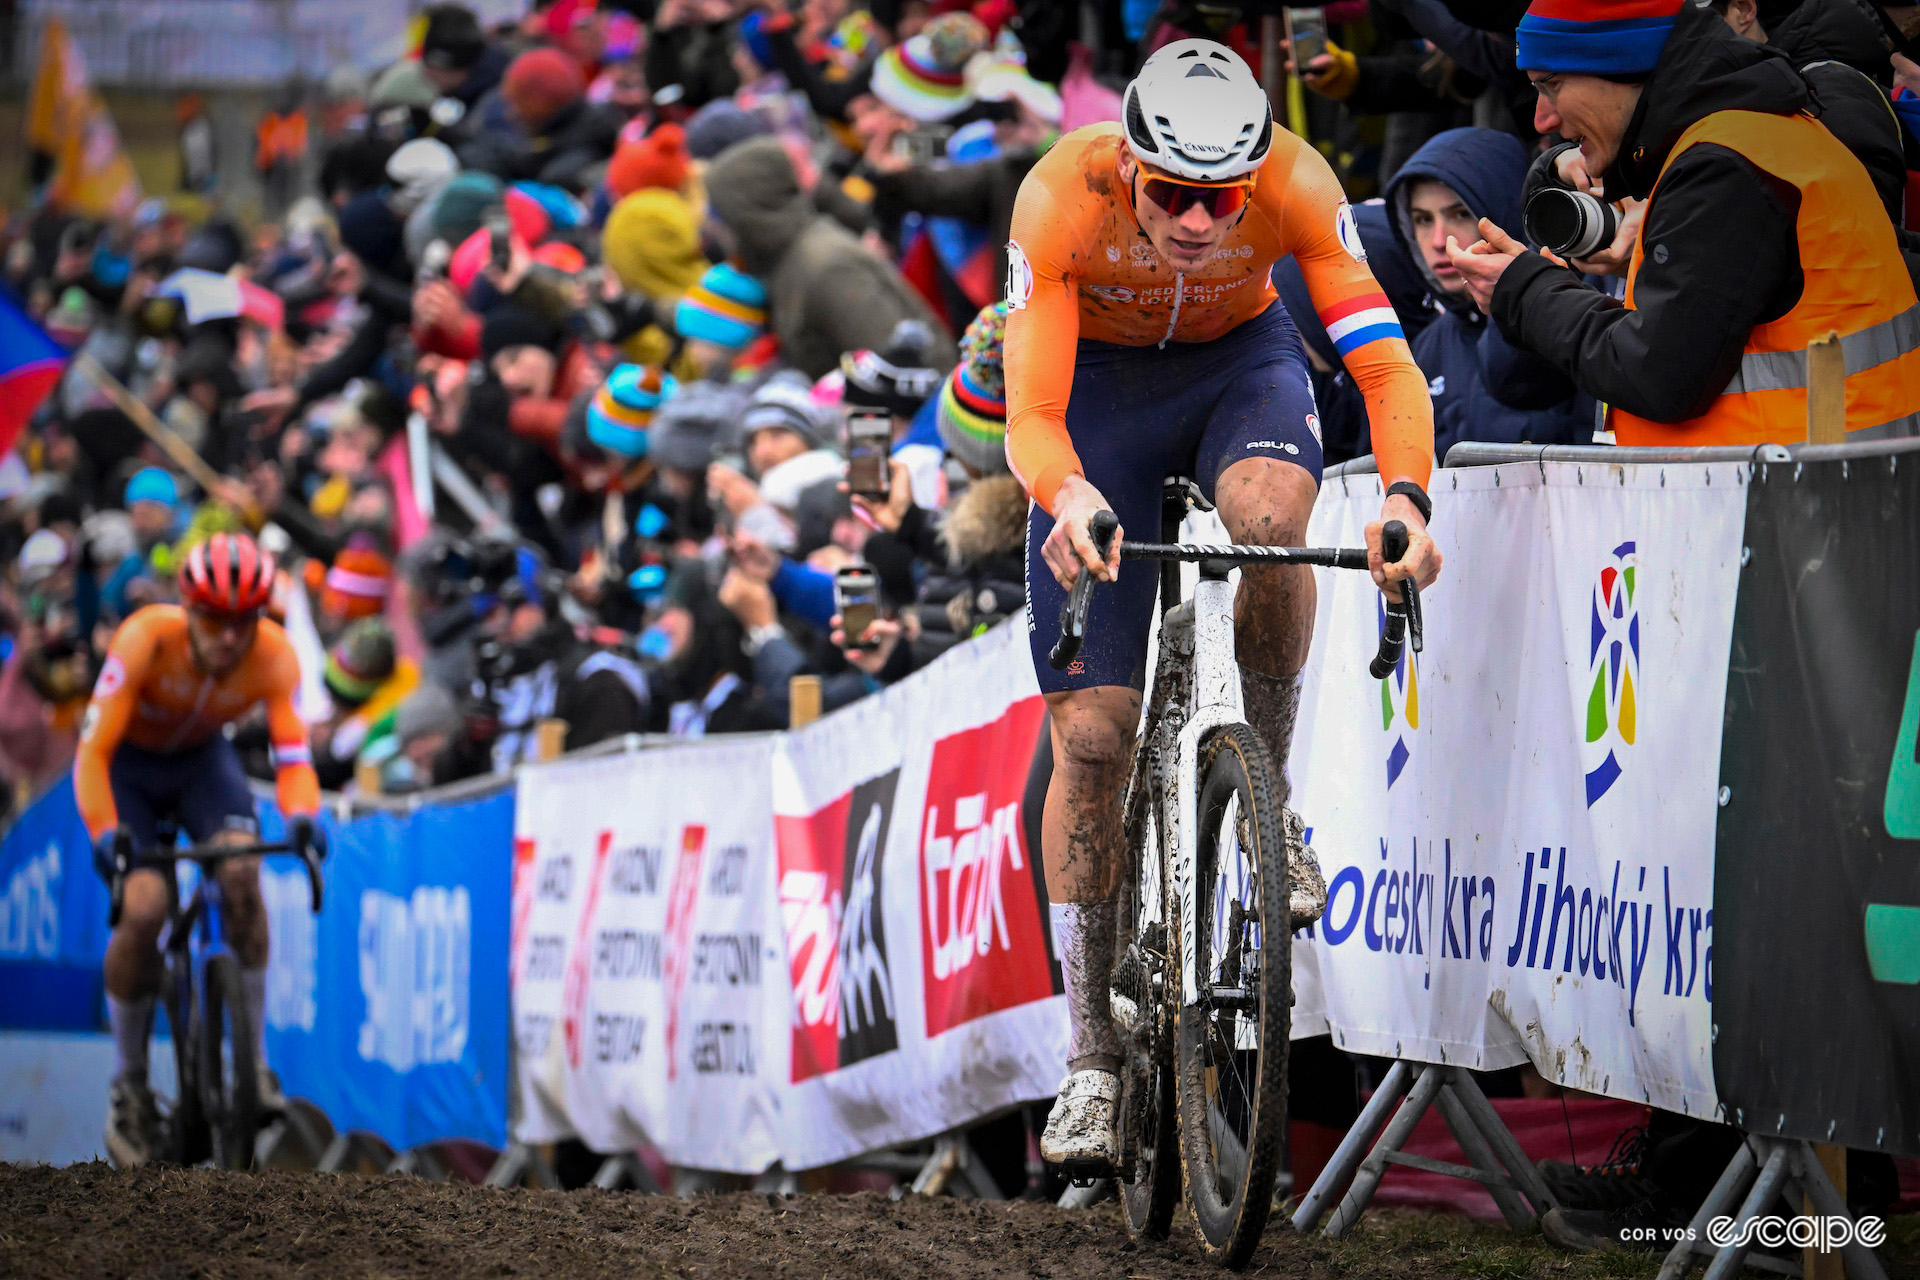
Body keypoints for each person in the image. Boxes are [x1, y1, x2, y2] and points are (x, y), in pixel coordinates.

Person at [1004, 38, 1441, 1172]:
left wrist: (1404, 499)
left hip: (1238, 364)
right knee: (1091, 738)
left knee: (1267, 517)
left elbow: (1386, 366)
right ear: (1131, 165)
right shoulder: (1060, 194)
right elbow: (1032, 408)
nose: (1198, 224)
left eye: (1220, 202)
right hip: (1093, 398)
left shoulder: (1298, 181)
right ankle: (1092, 1056)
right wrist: (1069, 494)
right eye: (1173, 198)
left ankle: (1272, 802)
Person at [1448, 0, 1920, 444]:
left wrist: (1524, 291)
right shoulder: (1746, 136)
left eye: (1550, 85)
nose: (1542, 119)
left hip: (1790, 502)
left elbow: (1658, 375)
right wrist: (1555, 175)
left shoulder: (1724, 164)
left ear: (1621, 63)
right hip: (1808, 487)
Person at [71, 533, 323, 1168]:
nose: (230, 637)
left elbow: (294, 758)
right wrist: (106, 832)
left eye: (244, 620)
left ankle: (254, 1061)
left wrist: (303, 817)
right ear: (188, 609)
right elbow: (93, 754)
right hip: (127, 770)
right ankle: (129, 1084)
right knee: (146, 905)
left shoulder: (275, 656)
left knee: (243, 870)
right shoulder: (143, 640)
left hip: (202, 766)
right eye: (214, 619)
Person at [1385, 127, 1593, 456]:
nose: (1440, 241)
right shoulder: (1424, 349)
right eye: (1423, 220)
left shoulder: (1566, 313)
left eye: (1460, 214)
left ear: (1505, 213)